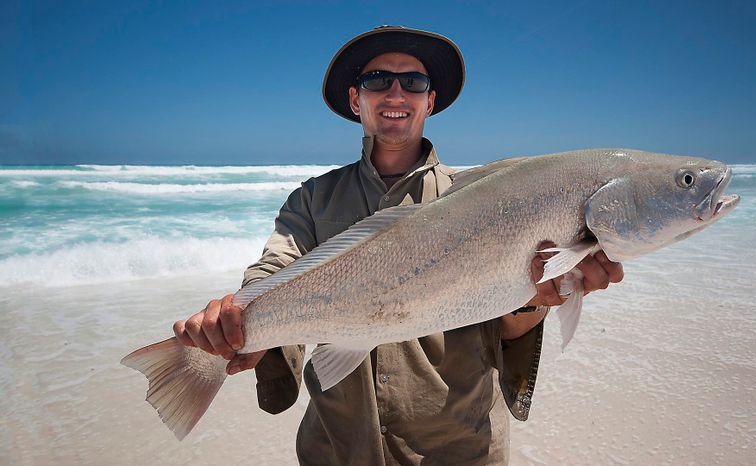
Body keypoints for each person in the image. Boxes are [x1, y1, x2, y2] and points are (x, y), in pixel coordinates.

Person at [173, 26, 623, 464]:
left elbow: (505, 326)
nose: (395, 94)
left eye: (413, 82)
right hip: (335, 448)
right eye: (376, 80)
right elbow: (275, 266)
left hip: (457, 449)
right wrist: (235, 323)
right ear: (356, 100)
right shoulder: (312, 199)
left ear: (429, 101)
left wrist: (538, 299)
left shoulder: (480, 199)